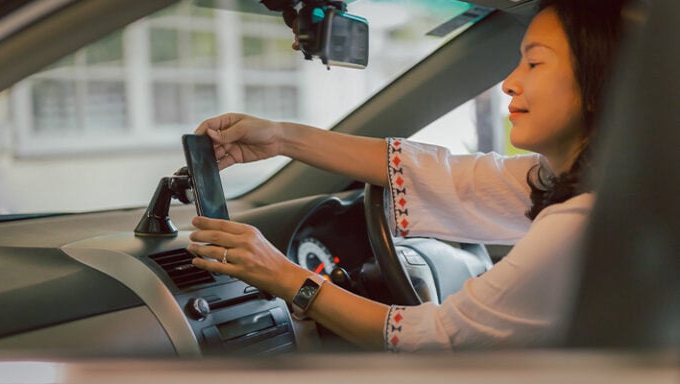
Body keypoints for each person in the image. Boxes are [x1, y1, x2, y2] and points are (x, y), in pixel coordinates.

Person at [187, 0, 627, 352]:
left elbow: (438, 339)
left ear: (600, 80)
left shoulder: (581, 223)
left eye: (534, 63)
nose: (509, 83)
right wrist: (281, 137)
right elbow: (448, 177)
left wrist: (284, 276)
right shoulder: (590, 188)